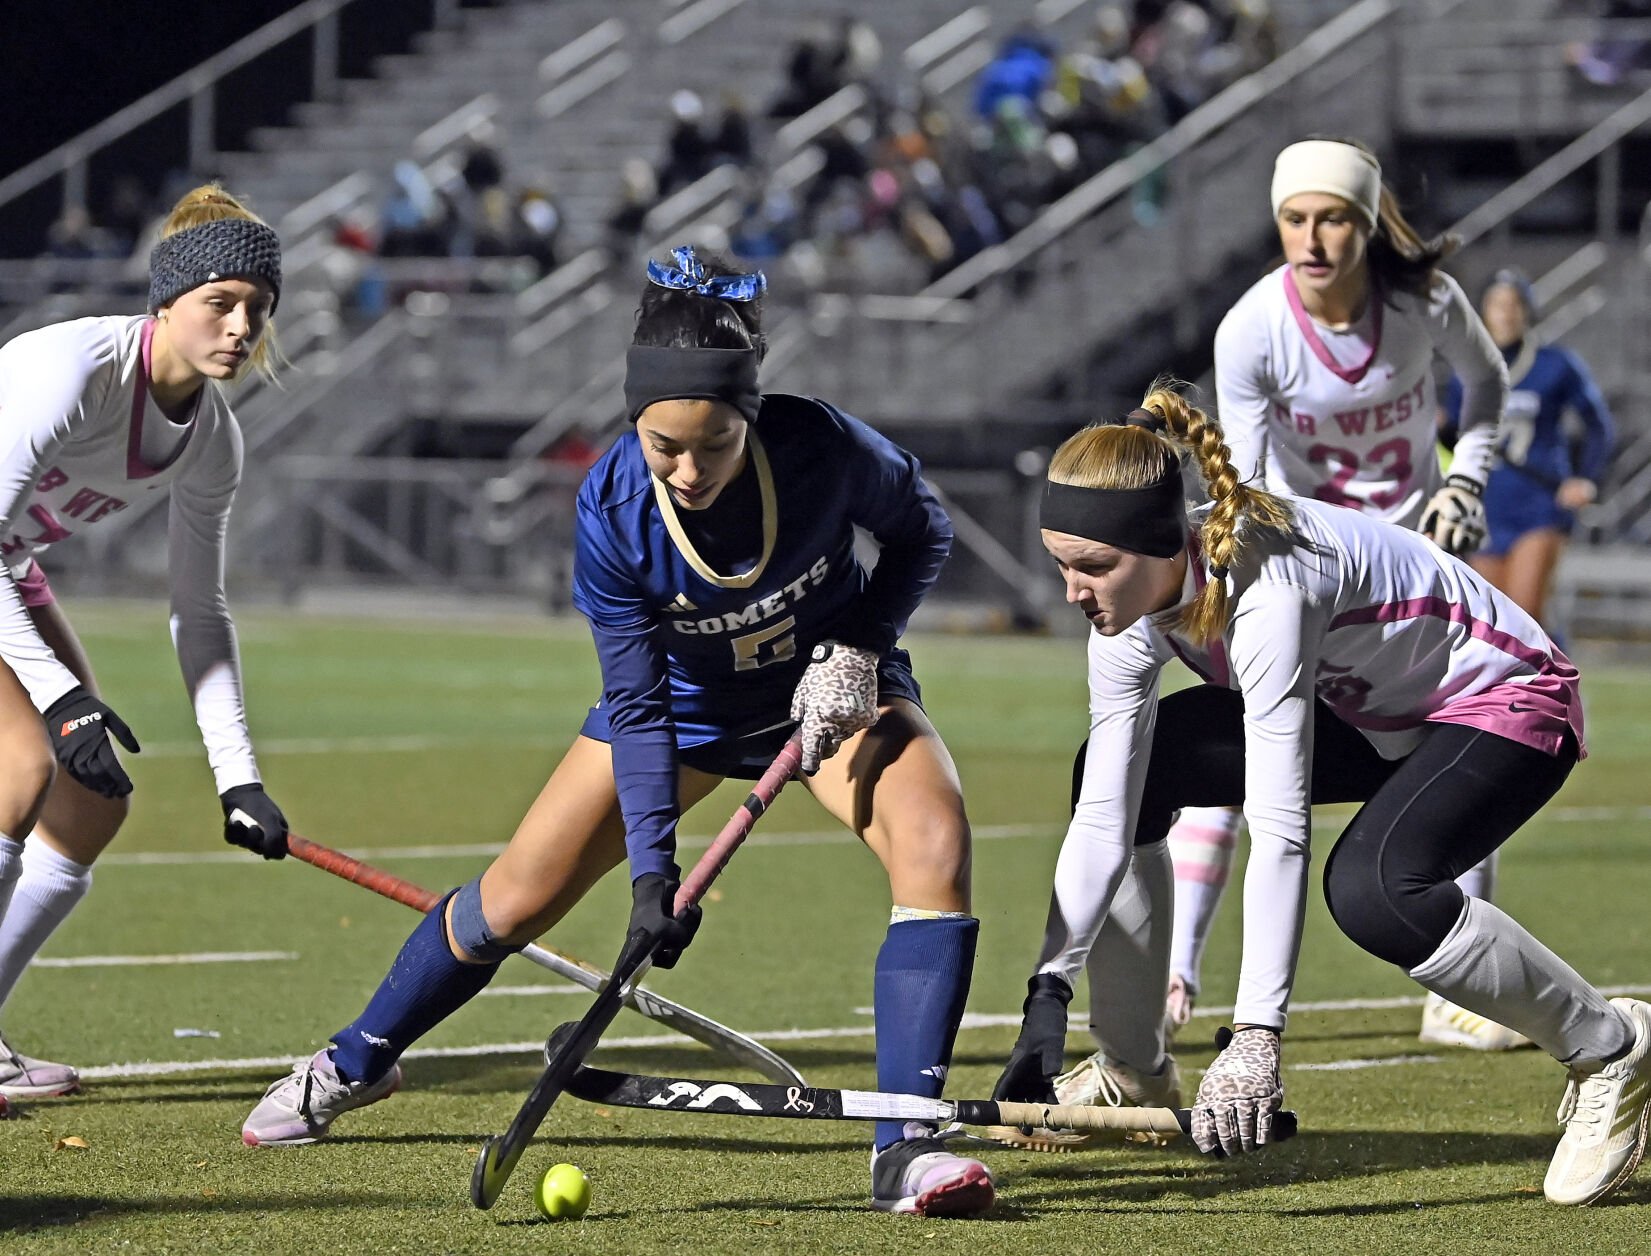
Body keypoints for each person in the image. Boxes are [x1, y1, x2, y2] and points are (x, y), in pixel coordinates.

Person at [241, 246, 997, 1220]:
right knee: (513, 898)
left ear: (749, 417)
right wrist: (653, 875)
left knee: (934, 838)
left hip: (827, 688)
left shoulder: (824, 447)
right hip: (682, 710)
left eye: (712, 444)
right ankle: (354, 1060)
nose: (685, 469)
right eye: (661, 444)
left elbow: (920, 528)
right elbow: (637, 704)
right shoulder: (612, 508)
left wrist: (857, 643)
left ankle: (908, 1145)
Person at [992, 384, 1651, 1206]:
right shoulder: (1125, 614)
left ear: (1165, 542)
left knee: (1376, 893)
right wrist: (1046, 991)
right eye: (1060, 563)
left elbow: (1277, 831)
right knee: (1115, 771)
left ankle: (1607, 1046)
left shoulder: (1267, 590)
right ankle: (1133, 1066)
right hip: (1367, 711)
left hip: (1504, 704)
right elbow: (1103, 814)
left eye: (1093, 567)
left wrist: (1256, 1038)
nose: (1072, 591)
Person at [1151, 135, 1519, 1066]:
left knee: (1452, 736)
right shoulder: (1251, 330)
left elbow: (1488, 384)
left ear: (1366, 222)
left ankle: (1459, 988)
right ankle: (1176, 972)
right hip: (1312, 572)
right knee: (1245, 748)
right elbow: (1246, 477)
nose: (1311, 239)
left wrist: (1463, 482)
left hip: (1415, 587)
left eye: (1333, 218)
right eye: (1293, 219)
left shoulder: (1425, 302)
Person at [0, 184, 293, 1101]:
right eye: (220, 303)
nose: (241, 327)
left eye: (257, 308)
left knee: (90, 802)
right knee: (22, 764)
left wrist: (236, 773)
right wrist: (59, 697)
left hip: (11, 567)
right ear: (166, 303)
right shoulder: (74, 370)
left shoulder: (214, 441)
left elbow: (198, 611)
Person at [1443, 269, 1616, 635]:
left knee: (1525, 614)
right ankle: (1562, 685)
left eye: (1514, 305)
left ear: (1527, 311)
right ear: (1483, 312)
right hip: (1488, 507)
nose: (1505, 313)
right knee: (1493, 625)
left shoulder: (1556, 364)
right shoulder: (1468, 370)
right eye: (1497, 305)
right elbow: (1456, 440)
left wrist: (1586, 478)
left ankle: (1552, 689)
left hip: (1540, 502)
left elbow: (1598, 425)